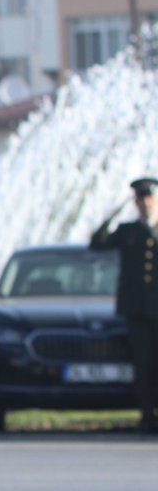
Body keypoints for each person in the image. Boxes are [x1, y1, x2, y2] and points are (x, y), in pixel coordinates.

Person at [90, 176, 158, 433]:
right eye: (140, 198)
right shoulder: (128, 230)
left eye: (150, 197)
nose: (146, 203)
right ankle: (146, 416)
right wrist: (111, 214)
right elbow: (97, 241)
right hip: (137, 310)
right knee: (144, 364)